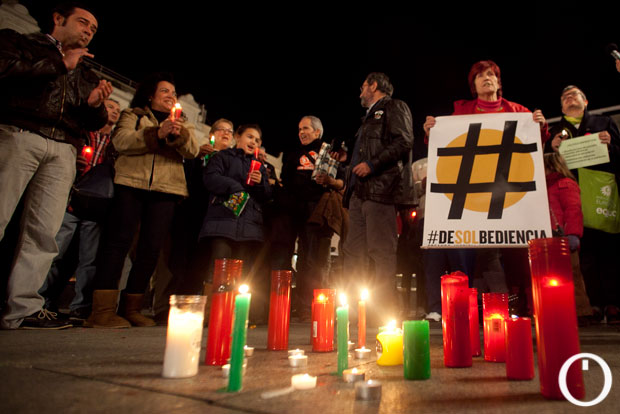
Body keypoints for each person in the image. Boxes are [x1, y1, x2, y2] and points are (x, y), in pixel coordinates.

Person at [0, 2, 113, 329]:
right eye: (83, 23)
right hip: (21, 133)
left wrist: (95, 107)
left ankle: (22, 307)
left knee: (44, 232)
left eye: (93, 28)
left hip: (63, 146)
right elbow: (7, 73)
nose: (88, 31)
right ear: (58, 19)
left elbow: (93, 118)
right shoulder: (21, 43)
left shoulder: (86, 71)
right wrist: (59, 63)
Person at [422, 60, 550, 321]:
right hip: (472, 198)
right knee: (472, 255)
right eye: (480, 76)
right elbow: (445, 144)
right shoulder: (461, 112)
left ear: (499, 82)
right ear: (474, 86)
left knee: (515, 254)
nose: (486, 79)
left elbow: (534, 144)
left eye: (491, 75)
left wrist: (541, 126)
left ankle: (518, 305)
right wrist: (430, 131)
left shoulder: (519, 112)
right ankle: (471, 309)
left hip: (510, 195)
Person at [86, 73, 199, 329]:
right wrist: (156, 132)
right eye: (164, 91)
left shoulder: (183, 123)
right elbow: (122, 141)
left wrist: (178, 135)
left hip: (167, 189)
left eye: (173, 93)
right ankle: (102, 311)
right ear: (151, 95)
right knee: (117, 244)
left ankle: (132, 307)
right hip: (131, 185)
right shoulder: (133, 115)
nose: (170, 96)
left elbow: (192, 150)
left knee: (150, 249)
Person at [38, 99, 121, 323]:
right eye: (110, 106)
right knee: (56, 252)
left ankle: (80, 307)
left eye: (117, 110)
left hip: (97, 205)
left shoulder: (117, 143)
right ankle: (41, 301)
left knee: (89, 259)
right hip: (71, 199)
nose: (113, 111)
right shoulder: (83, 133)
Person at [342, 72, 415, 324]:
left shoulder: (395, 106)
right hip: (358, 194)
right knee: (353, 253)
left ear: (373, 85)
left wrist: (372, 165)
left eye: (362, 86)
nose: (360, 91)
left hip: (381, 191)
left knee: (381, 252)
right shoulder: (367, 119)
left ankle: (384, 313)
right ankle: (354, 312)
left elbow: (404, 141)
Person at [546, 85, 620, 324]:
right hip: (573, 199)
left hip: (602, 192)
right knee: (584, 257)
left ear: (585, 101)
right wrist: (553, 148)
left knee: (609, 250)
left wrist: (610, 145)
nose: (569, 98)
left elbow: (619, 152)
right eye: (564, 97)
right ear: (561, 107)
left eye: (574, 95)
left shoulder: (604, 122)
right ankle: (594, 305)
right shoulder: (557, 132)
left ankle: (614, 304)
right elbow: (549, 165)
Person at [272, 116, 345, 320]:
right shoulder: (292, 153)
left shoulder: (330, 152)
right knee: (300, 261)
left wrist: (329, 181)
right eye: (299, 129)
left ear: (317, 132)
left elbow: (342, 179)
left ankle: (318, 306)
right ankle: (301, 306)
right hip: (294, 212)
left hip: (318, 212)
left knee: (317, 260)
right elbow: (285, 180)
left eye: (306, 128)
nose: (301, 132)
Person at [198, 125, 271, 299]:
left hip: (248, 228)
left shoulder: (259, 167)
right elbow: (210, 178)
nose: (253, 142)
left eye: (257, 140)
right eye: (250, 137)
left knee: (242, 275)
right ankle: (212, 312)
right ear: (238, 137)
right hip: (223, 222)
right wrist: (234, 187)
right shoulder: (222, 157)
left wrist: (261, 183)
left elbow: (267, 195)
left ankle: (234, 313)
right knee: (219, 270)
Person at [544, 152, 593, 325]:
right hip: (550, 240)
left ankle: (581, 312)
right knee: (556, 277)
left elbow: (573, 210)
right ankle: (563, 311)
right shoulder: (548, 186)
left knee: (572, 275)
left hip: (563, 238)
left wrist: (573, 235)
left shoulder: (564, 184)